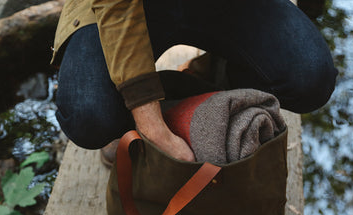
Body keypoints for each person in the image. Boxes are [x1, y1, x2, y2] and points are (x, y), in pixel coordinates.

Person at [52, 0, 337, 163]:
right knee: (89, 115)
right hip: (128, 5)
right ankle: (133, 123)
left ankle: (212, 84)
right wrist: (152, 126)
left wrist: (308, 13)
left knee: (309, 77)